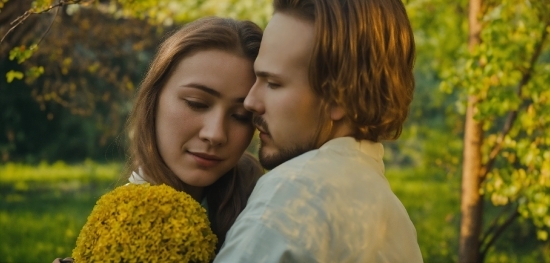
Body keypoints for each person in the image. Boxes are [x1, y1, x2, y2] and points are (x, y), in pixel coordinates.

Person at [214, 0, 423, 262]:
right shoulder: (393, 217)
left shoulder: (294, 193)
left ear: (340, 98)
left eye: (274, 83)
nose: (250, 102)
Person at [53, 16, 264, 263]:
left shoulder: (267, 201)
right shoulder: (121, 227)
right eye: (197, 103)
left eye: (241, 116)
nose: (215, 134)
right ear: (155, 99)